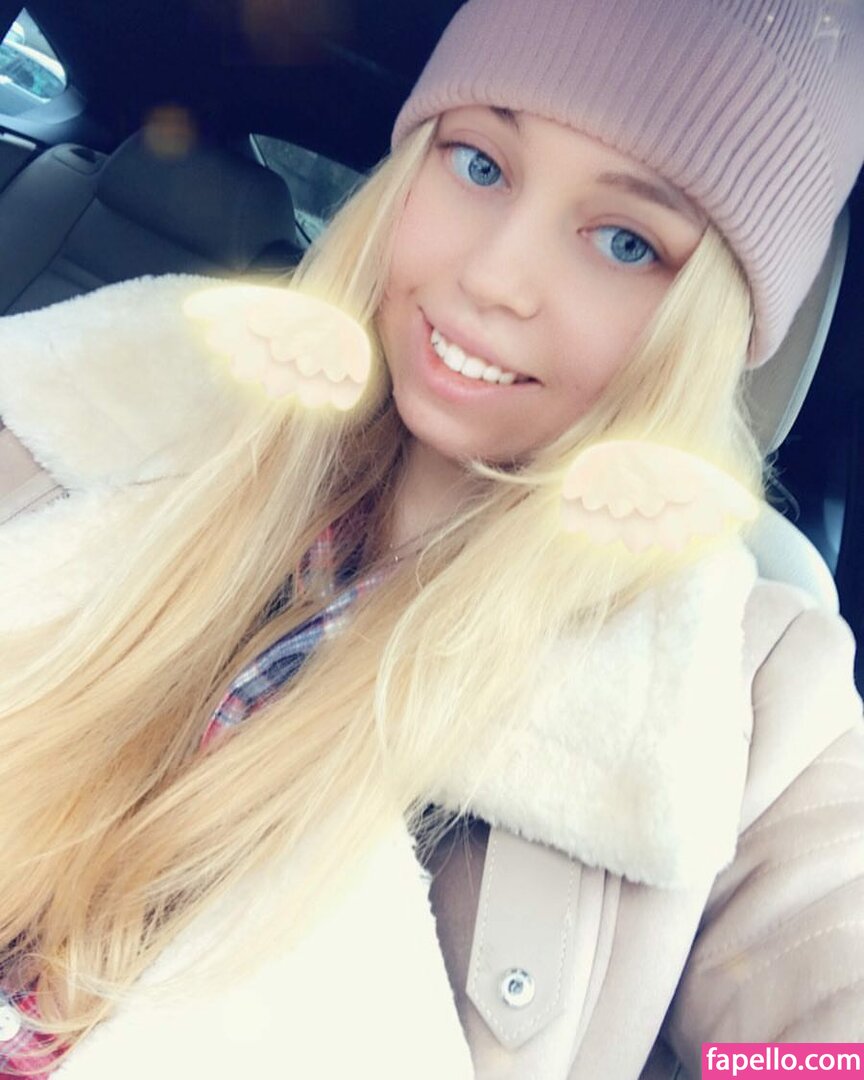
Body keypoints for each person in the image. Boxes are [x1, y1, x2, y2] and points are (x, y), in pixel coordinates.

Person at [0, 0, 862, 1076]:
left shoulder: (752, 690)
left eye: (626, 242)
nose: (493, 276)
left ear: (713, 329)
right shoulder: (139, 381)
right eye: (480, 165)